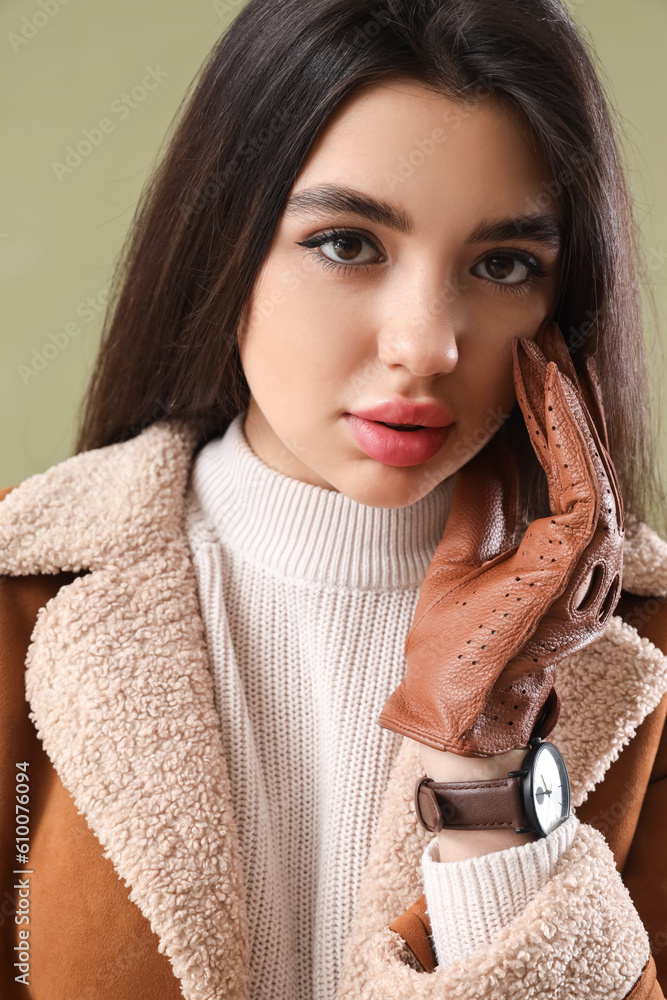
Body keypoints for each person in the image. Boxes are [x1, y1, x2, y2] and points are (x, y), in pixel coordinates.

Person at [1, 0, 666, 997]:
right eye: (349, 243)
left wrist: (489, 767)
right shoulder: (21, 597)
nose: (428, 344)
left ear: (563, 316)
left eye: (502, 265)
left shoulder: (645, 642)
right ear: (223, 248)